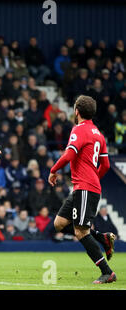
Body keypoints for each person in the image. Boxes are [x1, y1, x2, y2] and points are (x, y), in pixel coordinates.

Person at [48, 95, 116, 284]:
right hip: (84, 187)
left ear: (76, 111)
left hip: (85, 187)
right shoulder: (98, 134)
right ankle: (102, 239)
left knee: (80, 232)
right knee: (59, 223)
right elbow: (106, 165)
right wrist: (94, 177)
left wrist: (53, 170)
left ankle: (107, 272)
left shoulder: (79, 130)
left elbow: (70, 154)